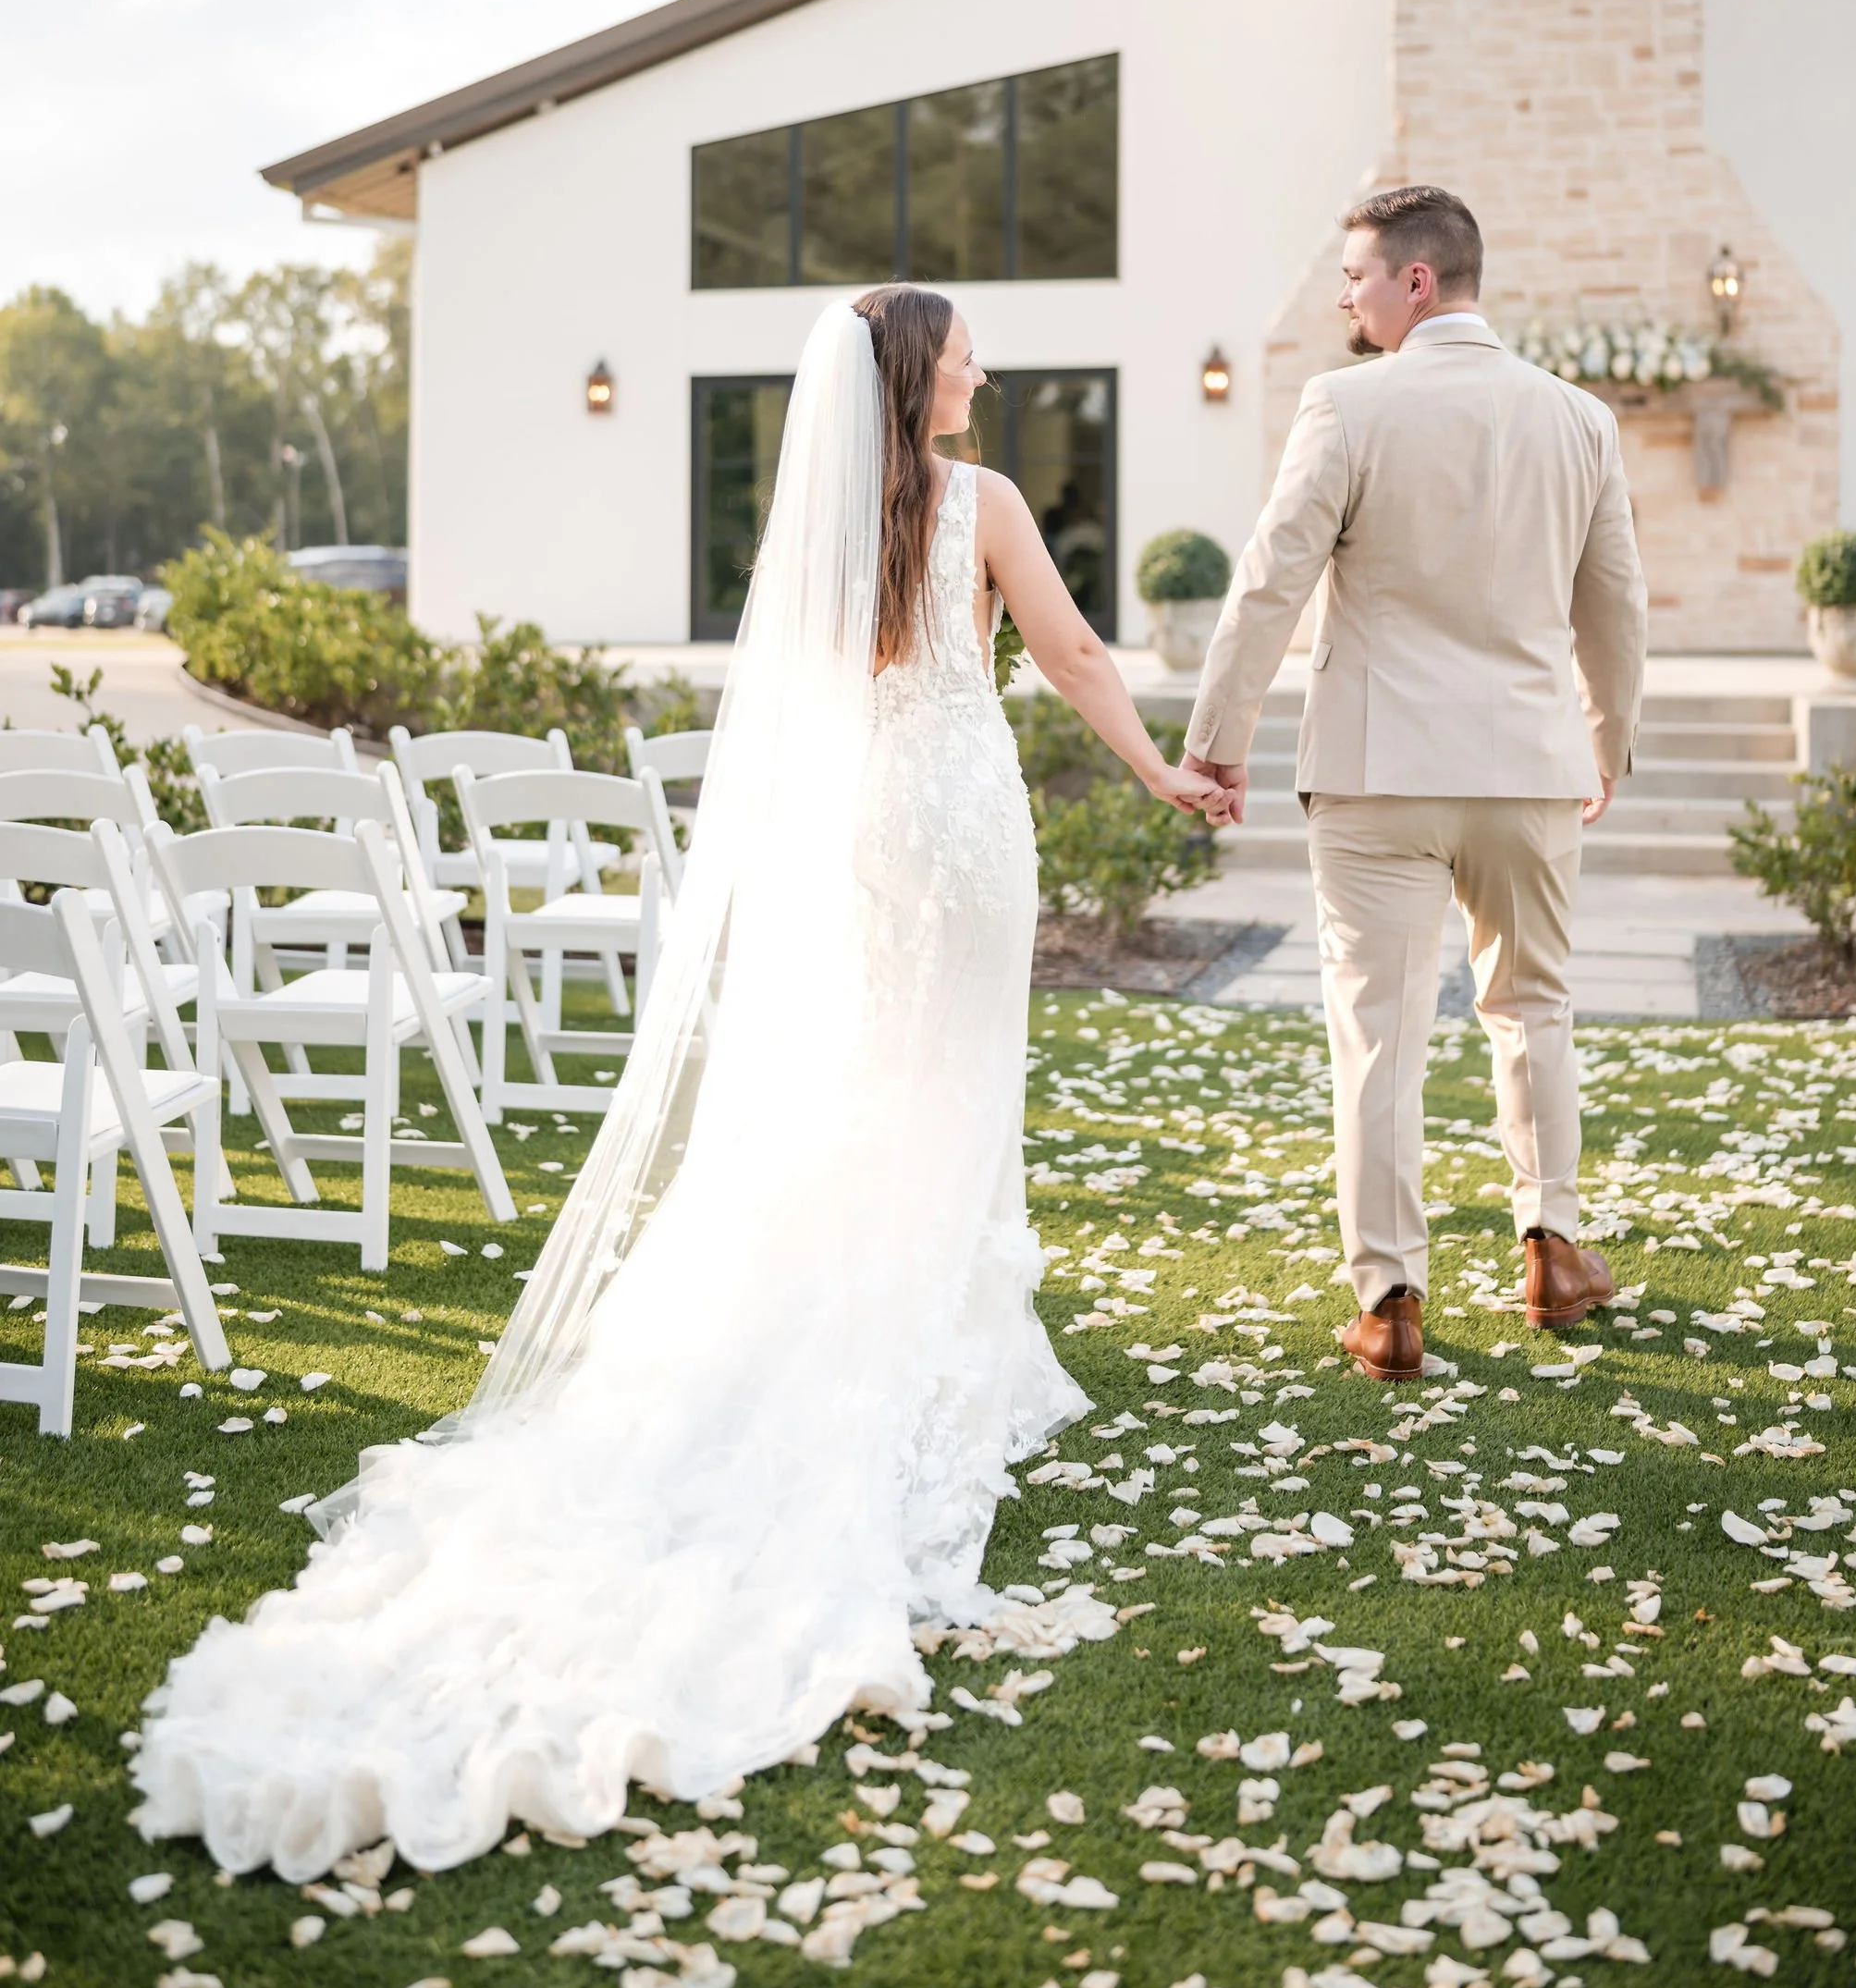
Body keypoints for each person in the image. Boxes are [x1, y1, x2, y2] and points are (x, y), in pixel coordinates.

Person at [130, 285, 1223, 1881]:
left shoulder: (831, 513)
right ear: (919, 372)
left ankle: (909, 1311)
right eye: (968, 349)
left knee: (865, 1083)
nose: (985, 367)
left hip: (863, 828)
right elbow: (1062, 652)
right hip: (964, 824)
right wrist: (1160, 767)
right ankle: (929, 1335)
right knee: (952, 1089)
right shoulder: (979, 504)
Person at [1182, 187, 1646, 1382]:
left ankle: (1389, 1302)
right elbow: (1618, 607)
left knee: (1379, 1039)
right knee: (1531, 1007)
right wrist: (1609, 740)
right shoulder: (1580, 421)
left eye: (1357, 276)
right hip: (1531, 769)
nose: (1346, 295)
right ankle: (1552, 1247)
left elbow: (1270, 578)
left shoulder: (1345, 406)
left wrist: (1219, 735)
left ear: (1418, 283)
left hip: (1378, 772)